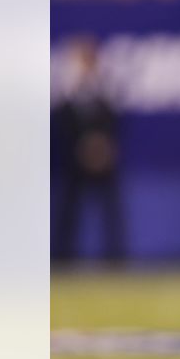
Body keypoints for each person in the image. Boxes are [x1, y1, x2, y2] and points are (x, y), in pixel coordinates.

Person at [53, 37, 125, 261]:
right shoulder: (67, 91)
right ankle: (63, 258)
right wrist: (81, 147)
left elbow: (113, 120)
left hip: (102, 157)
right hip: (75, 158)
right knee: (68, 208)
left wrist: (100, 146)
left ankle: (116, 258)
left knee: (111, 209)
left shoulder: (105, 89)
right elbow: (62, 122)